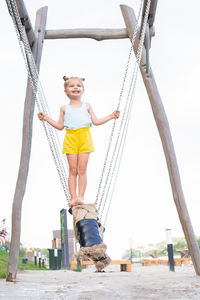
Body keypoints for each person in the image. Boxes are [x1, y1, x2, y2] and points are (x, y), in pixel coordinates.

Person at [38, 76, 120, 207]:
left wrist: (112, 116)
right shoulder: (64, 108)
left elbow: (96, 122)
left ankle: (81, 196)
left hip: (84, 137)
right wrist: (46, 118)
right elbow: (60, 126)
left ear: (83, 89)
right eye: (71, 86)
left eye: (78, 85)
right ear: (66, 91)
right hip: (71, 138)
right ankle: (73, 197)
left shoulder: (87, 106)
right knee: (73, 170)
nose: (75, 87)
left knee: (82, 169)